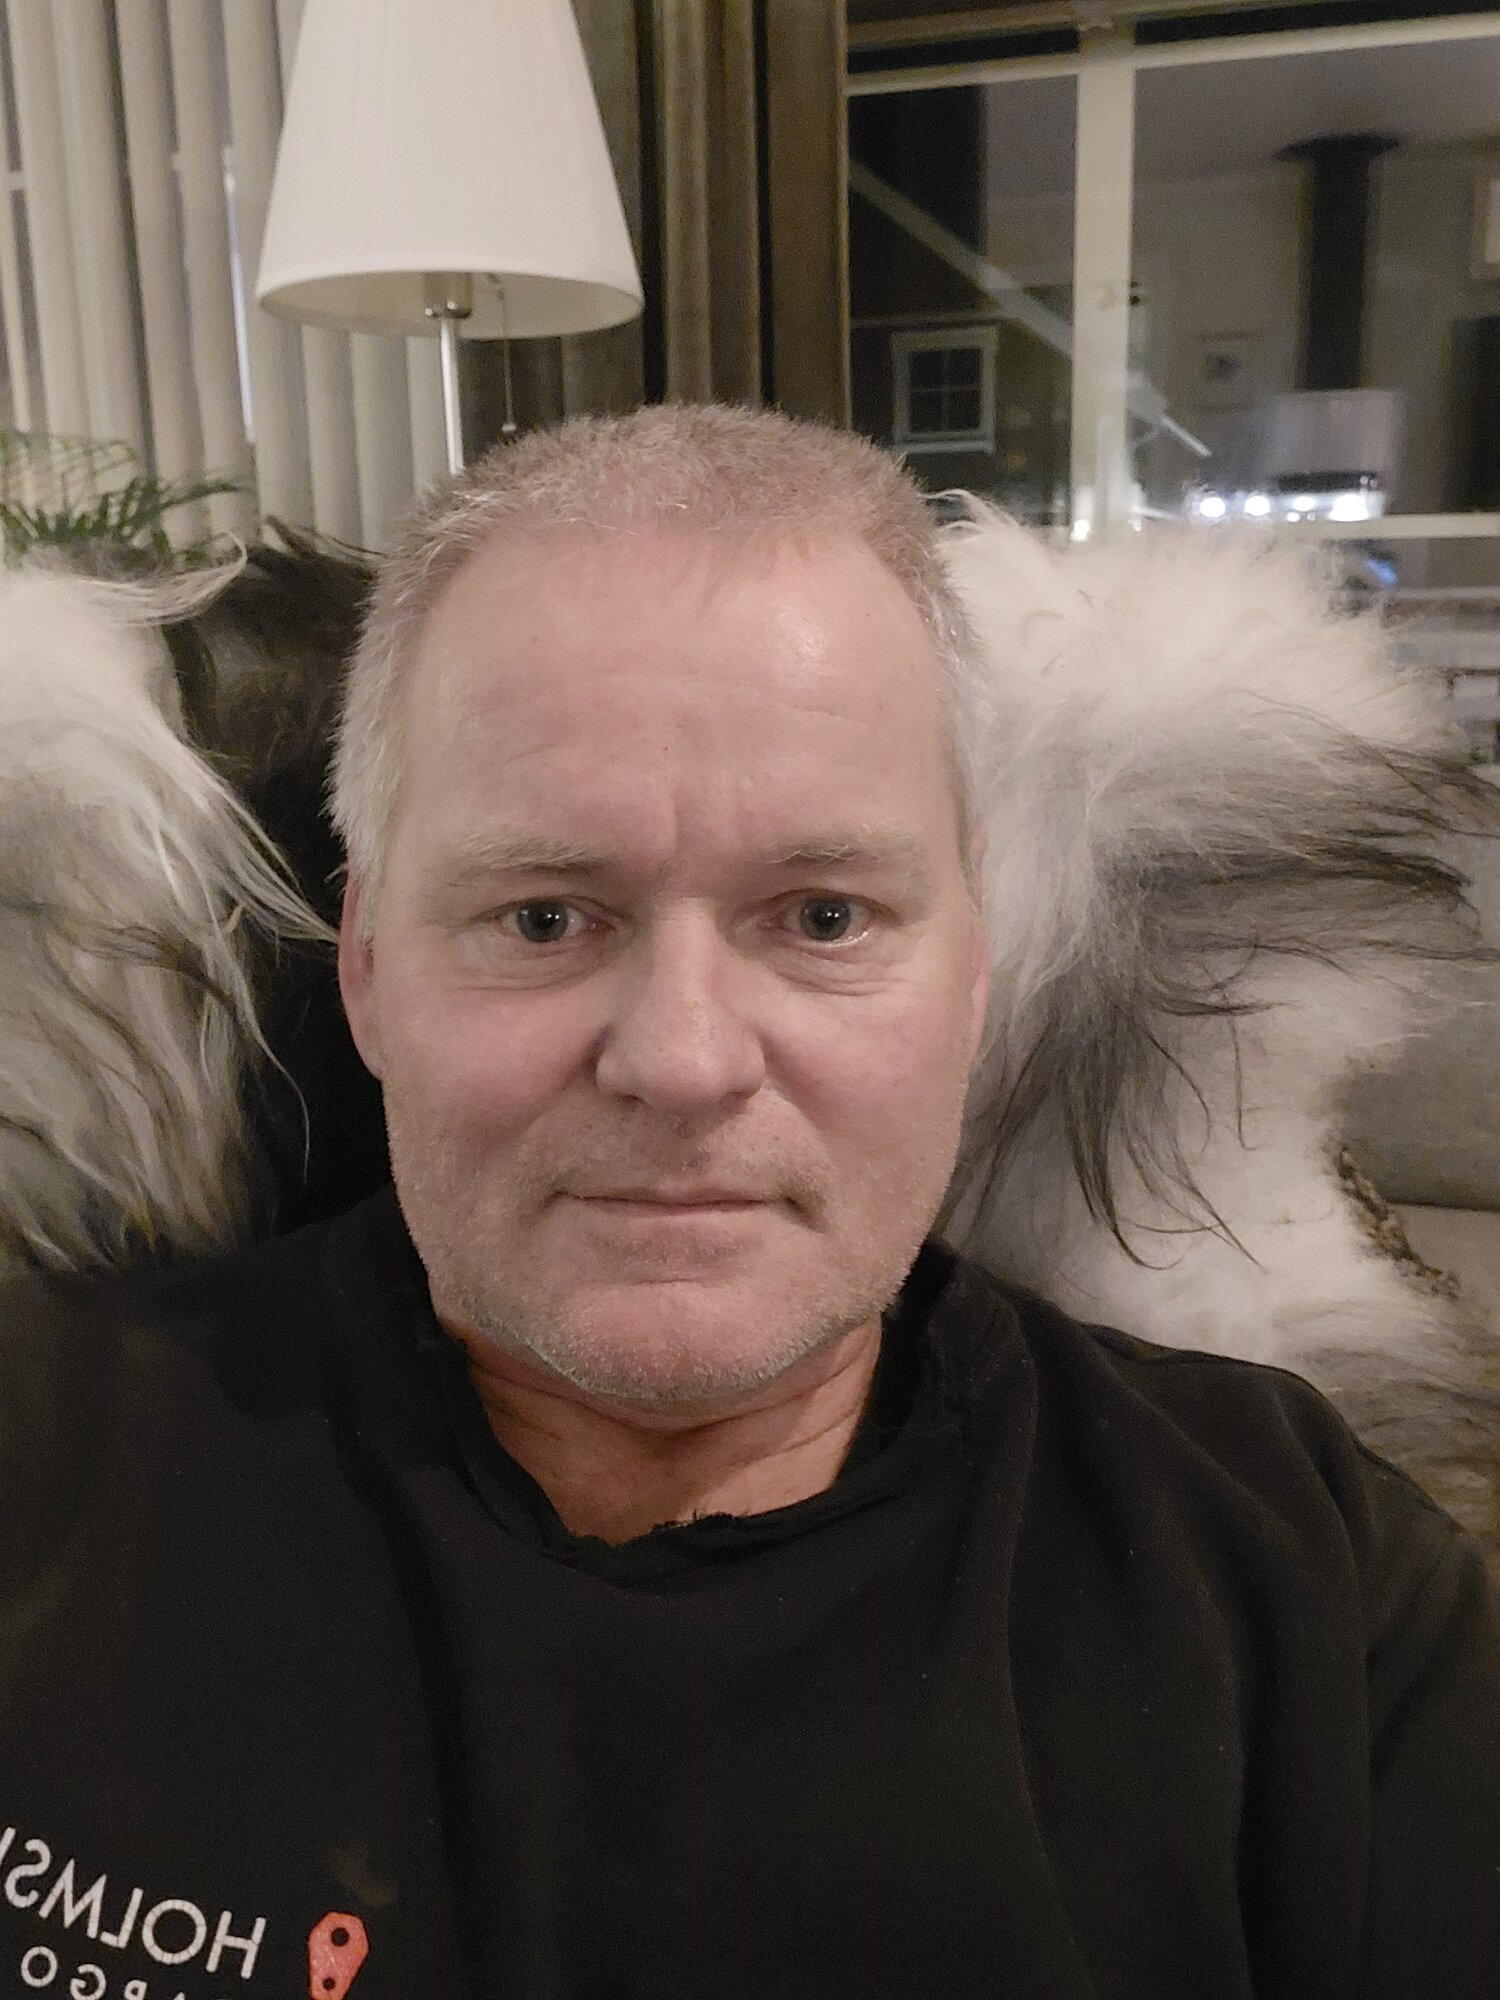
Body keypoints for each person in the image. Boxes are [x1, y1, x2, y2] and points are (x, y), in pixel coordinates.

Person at [0, 401, 1496, 2000]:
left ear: (975, 971)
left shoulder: (1308, 1581)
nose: (683, 1060)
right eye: (545, 915)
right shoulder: (42, 1439)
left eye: (824, 915)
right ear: (365, 970)